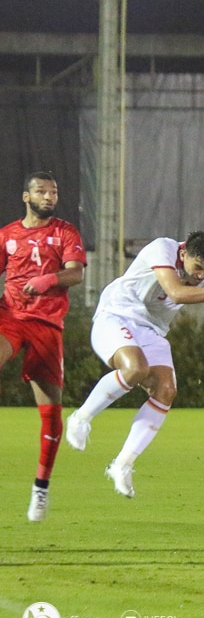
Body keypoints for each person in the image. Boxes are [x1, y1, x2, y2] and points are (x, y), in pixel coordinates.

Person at [65, 231, 204, 498]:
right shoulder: (162, 249)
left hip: (152, 330)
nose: (201, 275)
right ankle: (80, 419)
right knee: (135, 369)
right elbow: (176, 293)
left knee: (166, 391)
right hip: (116, 316)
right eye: (197, 268)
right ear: (184, 253)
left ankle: (122, 464)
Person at [0, 171, 87, 522]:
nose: (49, 197)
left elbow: (76, 273)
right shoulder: (7, 234)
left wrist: (48, 279)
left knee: (51, 413)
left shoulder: (65, 232)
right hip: (10, 317)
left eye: (53, 192)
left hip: (48, 326)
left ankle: (41, 487)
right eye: (41, 191)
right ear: (26, 196)